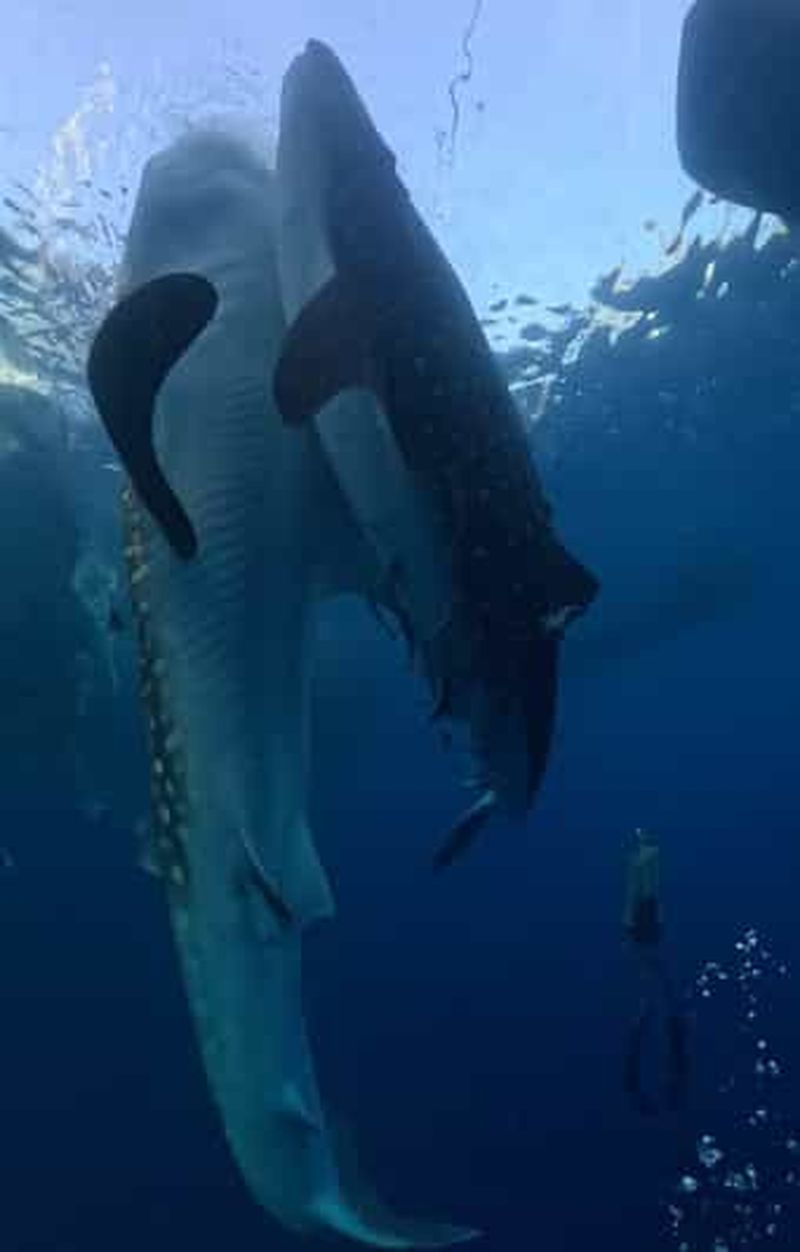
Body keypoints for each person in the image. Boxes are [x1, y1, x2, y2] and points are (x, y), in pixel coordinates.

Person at [623, 828, 690, 1116]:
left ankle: (645, 849)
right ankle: (645, 849)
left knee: (644, 901)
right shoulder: (674, 1066)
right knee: (644, 901)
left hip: (643, 934)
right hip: (643, 934)